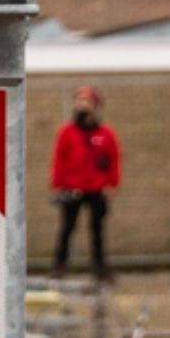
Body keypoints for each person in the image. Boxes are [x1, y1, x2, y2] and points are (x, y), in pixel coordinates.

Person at [50, 86, 123, 280]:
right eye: (80, 101)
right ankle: (59, 266)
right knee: (67, 228)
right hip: (73, 187)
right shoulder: (67, 132)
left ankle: (100, 268)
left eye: (87, 101)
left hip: (97, 188)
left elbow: (113, 159)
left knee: (97, 229)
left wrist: (112, 184)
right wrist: (58, 185)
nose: (83, 105)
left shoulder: (106, 134)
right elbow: (59, 159)